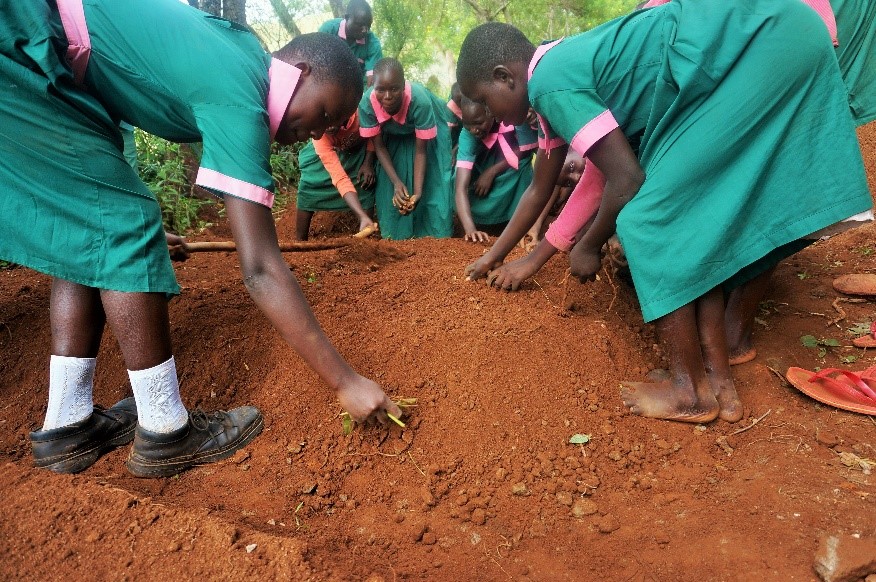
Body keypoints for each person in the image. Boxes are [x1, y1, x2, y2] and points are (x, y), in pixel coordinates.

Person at [1, 0, 401, 477]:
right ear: (299, 69)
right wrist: (344, 382)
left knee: (101, 225)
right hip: (25, 44)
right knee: (122, 223)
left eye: (329, 128)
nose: (316, 131)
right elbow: (259, 269)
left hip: (44, 54)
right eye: (324, 112)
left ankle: (69, 424)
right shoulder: (242, 92)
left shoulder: (239, 55)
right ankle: (166, 430)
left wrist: (128, 237)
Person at [456, 0, 872, 424]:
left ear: (505, 77)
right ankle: (715, 381)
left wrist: (591, 244)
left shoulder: (549, 83)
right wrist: (497, 255)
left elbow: (625, 179)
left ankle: (688, 390)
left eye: (484, 102)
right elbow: (546, 187)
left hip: (763, 46)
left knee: (646, 222)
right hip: (775, 37)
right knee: (691, 223)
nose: (489, 116)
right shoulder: (555, 76)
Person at [359, 58, 454, 240]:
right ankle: (397, 234)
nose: (387, 96)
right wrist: (396, 182)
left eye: (394, 89)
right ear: (373, 87)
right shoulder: (366, 104)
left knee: (434, 179)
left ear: (403, 85)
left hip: (427, 131)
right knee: (392, 182)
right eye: (380, 90)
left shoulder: (420, 102)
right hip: (392, 133)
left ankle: (436, 236)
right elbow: (379, 146)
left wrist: (417, 192)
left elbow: (421, 151)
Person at [454, 96, 537, 243]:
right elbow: (460, 187)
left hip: (512, 166)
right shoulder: (468, 134)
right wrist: (470, 230)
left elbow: (527, 149)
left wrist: (492, 172)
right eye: (467, 125)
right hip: (483, 166)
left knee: (524, 170)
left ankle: (521, 226)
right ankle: (477, 224)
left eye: (479, 123)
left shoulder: (512, 115)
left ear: (490, 112)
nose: (473, 129)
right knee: (457, 179)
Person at [295, 110, 379, 240]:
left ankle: (368, 236)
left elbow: (374, 129)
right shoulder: (320, 136)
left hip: (359, 151)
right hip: (331, 154)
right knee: (309, 184)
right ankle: (300, 242)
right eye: (322, 123)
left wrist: (368, 162)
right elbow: (340, 178)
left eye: (330, 119)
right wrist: (360, 215)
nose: (328, 127)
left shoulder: (361, 111)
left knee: (365, 181)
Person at [319, 0, 383, 87]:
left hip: (355, 90)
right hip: (328, 83)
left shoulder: (373, 45)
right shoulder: (328, 31)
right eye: (360, 24)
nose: (365, 30)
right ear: (347, 17)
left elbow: (371, 84)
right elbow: (318, 65)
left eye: (368, 25)